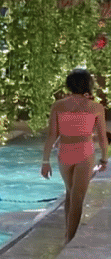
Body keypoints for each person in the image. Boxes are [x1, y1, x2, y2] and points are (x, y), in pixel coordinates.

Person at [41, 68, 109, 243]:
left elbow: (51, 135)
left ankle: (67, 233)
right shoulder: (96, 107)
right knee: (77, 196)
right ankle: (69, 239)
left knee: (71, 194)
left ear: (69, 85)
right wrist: (104, 159)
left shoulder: (58, 105)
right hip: (85, 152)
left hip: (64, 152)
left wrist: (45, 161)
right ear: (89, 85)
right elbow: (102, 137)